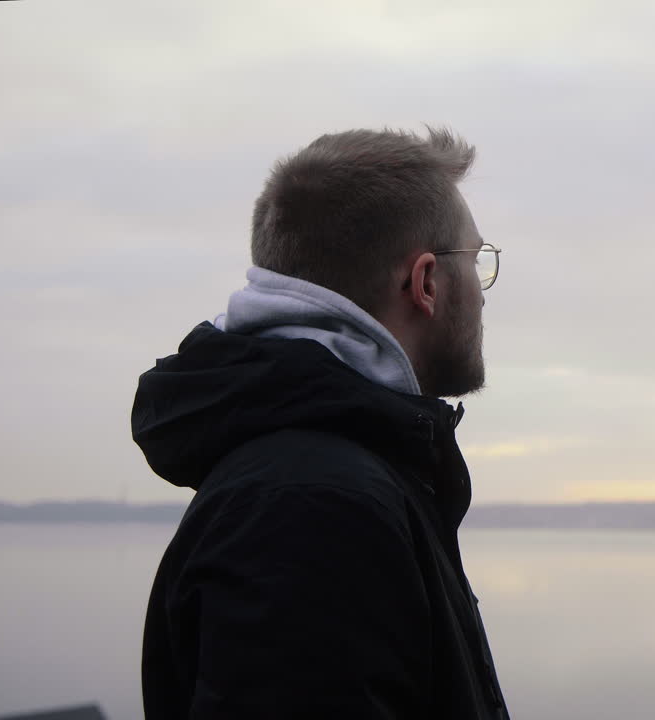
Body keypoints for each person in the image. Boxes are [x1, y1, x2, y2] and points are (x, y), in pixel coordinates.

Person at [130, 126, 510, 719]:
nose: (483, 295)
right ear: (427, 281)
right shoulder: (313, 507)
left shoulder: (331, 476)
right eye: (476, 261)